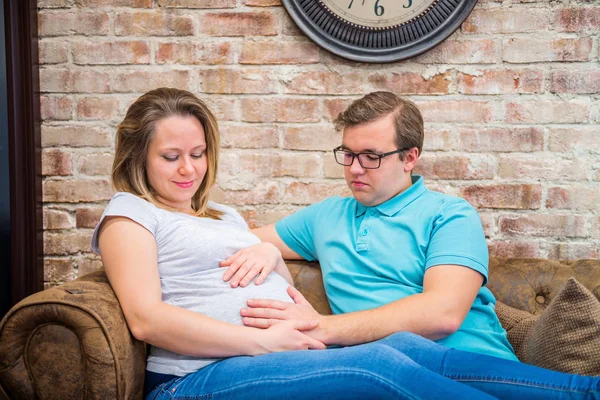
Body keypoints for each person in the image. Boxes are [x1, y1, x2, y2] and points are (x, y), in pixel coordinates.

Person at [92, 87, 510, 400]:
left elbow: (442, 314)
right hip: (198, 373)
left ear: (409, 157)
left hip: (276, 358)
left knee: (401, 346)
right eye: (171, 156)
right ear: (138, 157)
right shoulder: (131, 212)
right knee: (378, 361)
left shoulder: (222, 215)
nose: (189, 168)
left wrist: (272, 251)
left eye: (199, 153)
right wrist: (266, 340)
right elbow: (145, 318)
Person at [230, 91, 600, 399]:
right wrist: (265, 247)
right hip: (381, 374)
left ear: (410, 157)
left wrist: (323, 327)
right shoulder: (325, 217)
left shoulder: (450, 215)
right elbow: (225, 241)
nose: (354, 168)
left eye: (371, 156)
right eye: (348, 153)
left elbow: (442, 314)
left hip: (468, 361)